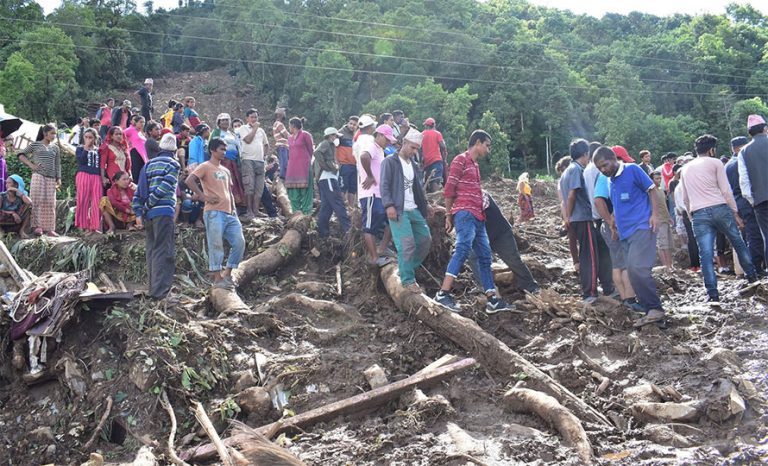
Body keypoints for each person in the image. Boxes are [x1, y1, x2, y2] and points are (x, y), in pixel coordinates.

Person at [434, 130, 510, 313]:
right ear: (477, 142)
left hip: (478, 217)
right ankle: (443, 293)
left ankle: (492, 299)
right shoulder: (460, 160)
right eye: (487, 145)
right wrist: (449, 215)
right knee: (463, 248)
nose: (488, 150)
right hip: (465, 213)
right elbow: (449, 188)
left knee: (484, 255)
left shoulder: (475, 166)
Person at [593, 145, 665, 327]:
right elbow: (617, 205)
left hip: (641, 227)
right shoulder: (610, 181)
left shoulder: (632, 170)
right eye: (599, 168)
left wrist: (655, 215)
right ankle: (652, 311)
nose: (603, 170)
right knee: (632, 272)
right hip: (624, 233)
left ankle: (654, 308)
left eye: (605, 165)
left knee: (637, 269)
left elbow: (651, 190)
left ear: (614, 158)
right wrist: (614, 226)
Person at [681, 134, 758, 302]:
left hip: (698, 212)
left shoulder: (685, 168)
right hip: (720, 208)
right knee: (738, 242)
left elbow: (685, 198)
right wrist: (735, 212)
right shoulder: (715, 163)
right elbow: (725, 190)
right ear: (711, 150)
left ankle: (713, 294)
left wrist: (691, 215)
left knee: (706, 253)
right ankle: (752, 277)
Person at [186, 138, 245, 290]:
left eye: (225, 150)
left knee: (239, 242)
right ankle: (217, 279)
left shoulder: (225, 170)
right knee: (216, 244)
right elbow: (189, 180)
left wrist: (234, 211)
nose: (224, 152)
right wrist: (203, 196)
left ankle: (228, 273)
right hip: (213, 212)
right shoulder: (205, 166)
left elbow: (229, 192)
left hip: (229, 213)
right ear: (212, 150)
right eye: (221, 149)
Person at [562, 139, 614, 304]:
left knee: (593, 252)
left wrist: (567, 217)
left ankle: (601, 287)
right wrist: (568, 216)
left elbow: (564, 198)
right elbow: (571, 195)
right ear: (586, 154)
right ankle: (590, 292)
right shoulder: (577, 170)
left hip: (577, 218)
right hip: (582, 217)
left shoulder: (566, 171)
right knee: (589, 256)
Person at [380, 129, 431, 293]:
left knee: (425, 240)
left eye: (417, 149)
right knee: (406, 244)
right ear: (404, 143)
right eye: (412, 147)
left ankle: (405, 268)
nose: (414, 151)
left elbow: (418, 190)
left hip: (413, 208)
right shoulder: (390, 162)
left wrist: (426, 205)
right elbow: (384, 185)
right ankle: (408, 280)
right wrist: (389, 205)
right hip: (398, 209)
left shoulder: (414, 165)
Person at [132, 133, 180, 300]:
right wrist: (149, 204)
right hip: (163, 211)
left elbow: (139, 191)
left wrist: (140, 210)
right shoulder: (173, 164)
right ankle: (160, 293)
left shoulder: (149, 165)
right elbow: (166, 187)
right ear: (174, 150)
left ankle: (153, 288)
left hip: (149, 214)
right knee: (163, 250)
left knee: (152, 250)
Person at [469, 192, 540, 294]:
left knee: (513, 260)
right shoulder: (460, 200)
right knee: (472, 257)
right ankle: (485, 286)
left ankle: (530, 286)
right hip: (482, 237)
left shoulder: (481, 194)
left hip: (500, 233)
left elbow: (476, 210)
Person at [593, 171, 644, 313]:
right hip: (615, 226)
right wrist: (611, 223)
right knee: (626, 264)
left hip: (611, 225)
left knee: (617, 263)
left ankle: (625, 299)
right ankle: (630, 299)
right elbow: (598, 200)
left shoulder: (606, 176)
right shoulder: (606, 177)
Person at [726, 135, 765, 274]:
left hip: (737, 203)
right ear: (738, 148)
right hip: (747, 201)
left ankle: (750, 267)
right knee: (756, 235)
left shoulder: (728, 165)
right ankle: (757, 267)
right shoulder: (741, 162)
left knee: (748, 235)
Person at [358, 125, 395, 267]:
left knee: (392, 220)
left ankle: (382, 249)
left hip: (380, 194)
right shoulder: (372, 146)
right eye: (386, 139)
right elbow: (364, 157)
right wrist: (369, 175)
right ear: (379, 135)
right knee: (370, 226)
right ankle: (374, 258)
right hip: (370, 193)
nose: (388, 142)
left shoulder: (380, 150)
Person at [16, 125, 61, 237]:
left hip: (51, 177)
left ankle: (50, 228)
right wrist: (31, 165)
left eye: (55, 133)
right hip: (38, 176)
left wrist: (58, 178)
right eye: (52, 133)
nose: (54, 136)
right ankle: (37, 227)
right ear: (45, 133)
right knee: (37, 200)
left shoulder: (55, 148)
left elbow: (57, 164)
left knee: (51, 202)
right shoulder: (36, 145)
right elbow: (20, 154)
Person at [738, 114, 768, 275]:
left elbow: (744, 180)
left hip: (761, 200)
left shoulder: (744, 152)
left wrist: (751, 199)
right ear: (765, 128)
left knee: (767, 235)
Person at [314, 127, 351, 238]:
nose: (336, 138)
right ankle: (348, 230)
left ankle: (323, 233)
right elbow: (317, 153)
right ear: (331, 136)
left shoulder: (330, 145)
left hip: (327, 179)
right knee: (338, 203)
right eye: (335, 136)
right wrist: (326, 167)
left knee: (327, 207)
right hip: (328, 178)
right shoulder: (326, 143)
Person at [236, 108, 270, 220]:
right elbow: (248, 140)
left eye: (256, 117)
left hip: (260, 161)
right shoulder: (243, 128)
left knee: (259, 187)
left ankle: (256, 211)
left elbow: (266, 145)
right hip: (247, 159)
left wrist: (264, 157)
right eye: (252, 117)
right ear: (247, 118)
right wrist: (254, 128)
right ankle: (249, 211)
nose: (254, 119)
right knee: (249, 186)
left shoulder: (261, 131)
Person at [210, 113, 245, 208]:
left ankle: (238, 204)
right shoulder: (216, 132)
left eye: (227, 120)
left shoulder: (232, 134)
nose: (225, 122)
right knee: (225, 181)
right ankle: (226, 204)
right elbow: (212, 145)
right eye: (223, 120)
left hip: (233, 162)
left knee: (235, 182)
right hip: (223, 162)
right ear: (219, 122)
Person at [75, 128, 103, 233]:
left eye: (90, 137)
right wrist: (86, 147)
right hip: (83, 174)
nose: (88, 139)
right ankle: (83, 225)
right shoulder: (80, 148)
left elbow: (101, 165)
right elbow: (81, 161)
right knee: (82, 199)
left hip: (96, 176)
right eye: (86, 137)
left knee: (97, 200)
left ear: (95, 138)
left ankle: (95, 226)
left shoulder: (99, 150)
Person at [285, 117, 315, 214]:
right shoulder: (289, 138)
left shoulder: (305, 135)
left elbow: (311, 150)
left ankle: (306, 213)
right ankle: (296, 212)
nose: (289, 127)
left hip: (304, 166)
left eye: (289, 125)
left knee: (306, 191)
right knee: (292, 191)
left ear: (293, 126)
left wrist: (306, 160)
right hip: (292, 166)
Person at [556, 155, 579, 271]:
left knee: (572, 238)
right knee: (574, 238)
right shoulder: (565, 180)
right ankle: (577, 263)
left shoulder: (563, 180)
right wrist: (566, 218)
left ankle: (576, 263)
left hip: (569, 213)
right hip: (571, 213)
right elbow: (563, 202)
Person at [651, 170, 674, 271]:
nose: (659, 180)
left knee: (668, 244)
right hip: (659, 220)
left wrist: (669, 217)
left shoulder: (660, 190)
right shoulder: (650, 192)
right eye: (656, 178)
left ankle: (670, 265)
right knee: (662, 244)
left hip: (665, 219)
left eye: (660, 178)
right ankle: (666, 266)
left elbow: (664, 205)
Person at [337, 116, 359, 208]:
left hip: (354, 165)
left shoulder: (357, 135)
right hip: (344, 164)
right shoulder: (340, 133)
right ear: (347, 123)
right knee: (342, 188)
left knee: (352, 189)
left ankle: (351, 208)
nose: (352, 126)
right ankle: (340, 208)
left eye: (354, 125)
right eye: (351, 123)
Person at [422, 117, 447, 193]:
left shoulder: (422, 134)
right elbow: (442, 146)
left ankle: (429, 199)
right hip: (436, 160)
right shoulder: (437, 133)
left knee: (428, 181)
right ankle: (435, 198)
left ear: (426, 125)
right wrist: (444, 159)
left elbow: (419, 149)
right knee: (435, 181)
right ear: (434, 125)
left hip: (426, 162)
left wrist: (421, 161)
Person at [123, 116, 147, 182]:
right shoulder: (131, 129)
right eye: (140, 122)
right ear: (135, 123)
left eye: (144, 122)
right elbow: (122, 134)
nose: (142, 124)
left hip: (142, 156)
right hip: (135, 153)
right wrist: (127, 144)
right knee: (135, 174)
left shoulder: (140, 132)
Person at [273, 108, 290, 180]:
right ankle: (283, 178)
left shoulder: (277, 123)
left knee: (284, 163)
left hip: (282, 146)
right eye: (284, 112)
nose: (285, 114)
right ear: (280, 115)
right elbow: (287, 135)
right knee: (284, 163)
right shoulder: (279, 124)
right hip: (282, 146)